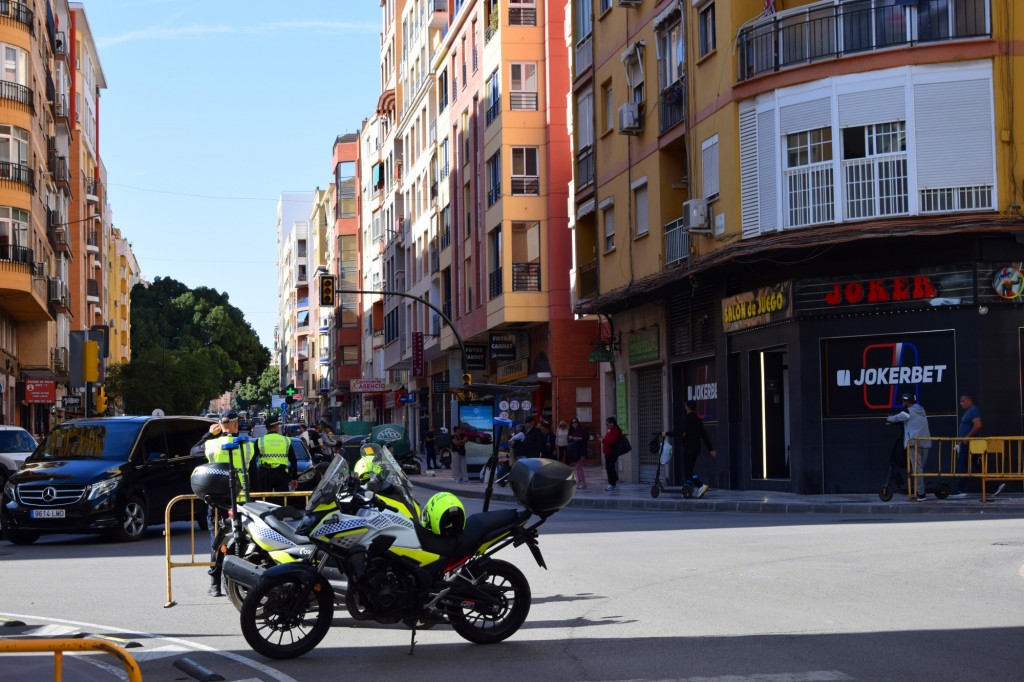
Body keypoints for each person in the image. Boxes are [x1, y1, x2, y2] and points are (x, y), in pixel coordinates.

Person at [189, 409, 255, 597]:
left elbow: (194, 451)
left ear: (220, 425)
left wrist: (210, 433)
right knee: (244, 541)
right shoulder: (247, 445)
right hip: (241, 500)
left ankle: (215, 584)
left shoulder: (211, 445)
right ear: (235, 425)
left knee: (217, 543)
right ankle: (245, 583)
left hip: (217, 502)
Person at [662, 401, 717, 498]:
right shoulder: (697, 419)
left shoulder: (687, 419)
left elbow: (679, 432)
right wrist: (710, 449)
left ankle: (701, 485)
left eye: (685, 405)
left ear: (687, 407)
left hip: (689, 448)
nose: (684, 407)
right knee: (690, 469)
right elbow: (704, 435)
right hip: (696, 448)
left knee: (688, 471)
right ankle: (688, 489)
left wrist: (666, 433)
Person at [886, 393, 932, 501]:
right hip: (925, 443)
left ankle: (921, 494)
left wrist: (889, 418)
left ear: (907, 402)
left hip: (914, 444)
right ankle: (916, 490)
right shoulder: (921, 410)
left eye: (903, 401)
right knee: (919, 469)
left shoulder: (907, 412)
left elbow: (896, 418)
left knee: (917, 470)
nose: (902, 403)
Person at [253, 415, 298, 504]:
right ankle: (280, 516)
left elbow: (252, 459)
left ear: (267, 428)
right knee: (282, 500)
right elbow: (293, 460)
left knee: (265, 501)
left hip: (265, 475)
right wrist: (294, 478)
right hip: (282, 474)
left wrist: (255, 476)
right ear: (277, 426)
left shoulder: (260, 441)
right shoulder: (285, 440)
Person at [950, 394, 982, 498]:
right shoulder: (969, 411)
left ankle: (960, 489)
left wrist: (967, 437)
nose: (961, 403)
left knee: (962, 465)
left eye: (963, 401)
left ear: (969, 400)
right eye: (960, 401)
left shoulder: (973, 410)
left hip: (969, 443)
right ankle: (994, 486)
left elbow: (978, 425)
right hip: (966, 443)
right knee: (978, 466)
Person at [602, 416, 625, 492]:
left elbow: (612, 441)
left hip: (611, 452)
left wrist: (603, 440)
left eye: (607, 424)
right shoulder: (610, 430)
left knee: (610, 468)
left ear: (612, 423)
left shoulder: (616, 431)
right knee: (609, 468)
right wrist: (604, 439)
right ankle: (613, 482)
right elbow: (608, 440)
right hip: (607, 452)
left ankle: (611, 484)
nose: (606, 426)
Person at [567, 417, 589, 489]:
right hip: (575, 451)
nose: (574, 424)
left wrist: (579, 438)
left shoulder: (582, 430)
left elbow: (587, 438)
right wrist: (570, 438)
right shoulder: (572, 431)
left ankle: (583, 482)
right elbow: (569, 441)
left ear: (578, 422)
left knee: (579, 467)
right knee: (577, 467)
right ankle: (580, 482)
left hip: (581, 450)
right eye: (573, 422)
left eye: (575, 422)